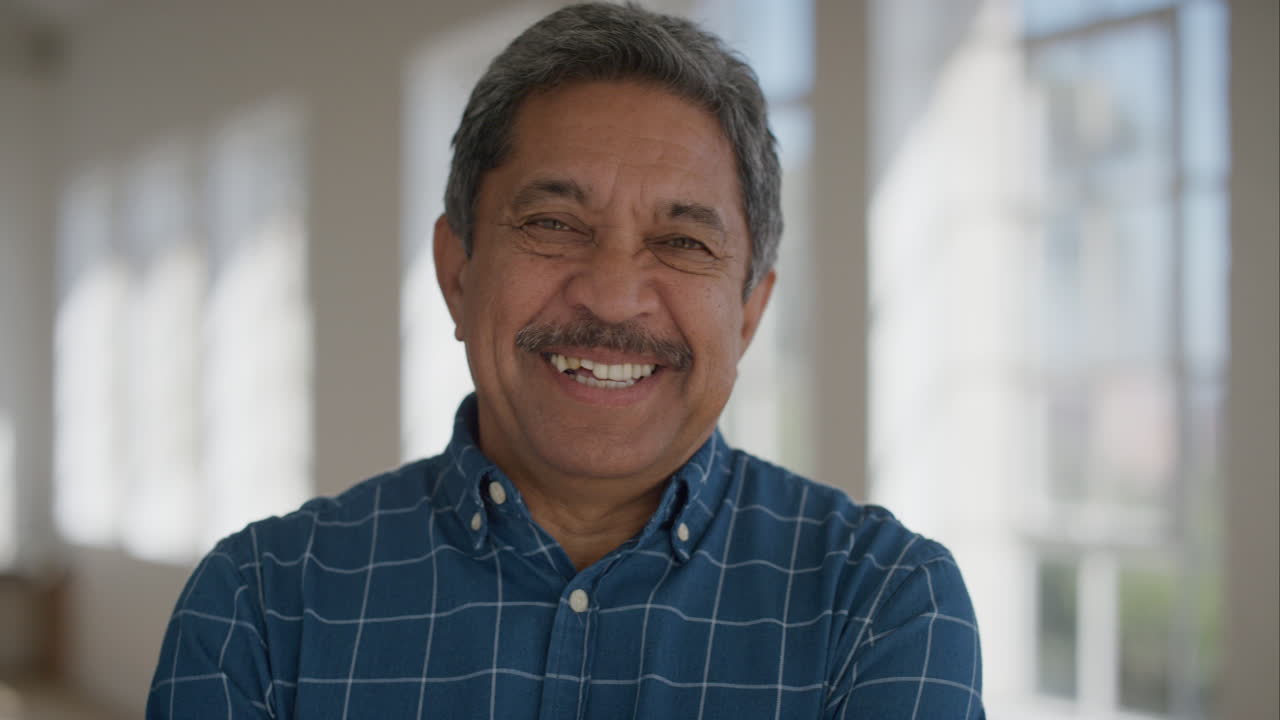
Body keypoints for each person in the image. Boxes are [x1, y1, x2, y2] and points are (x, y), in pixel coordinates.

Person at [148, 3, 984, 718]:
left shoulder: (882, 606)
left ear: (749, 312)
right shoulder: (259, 607)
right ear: (457, 273)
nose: (613, 298)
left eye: (682, 241)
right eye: (553, 225)